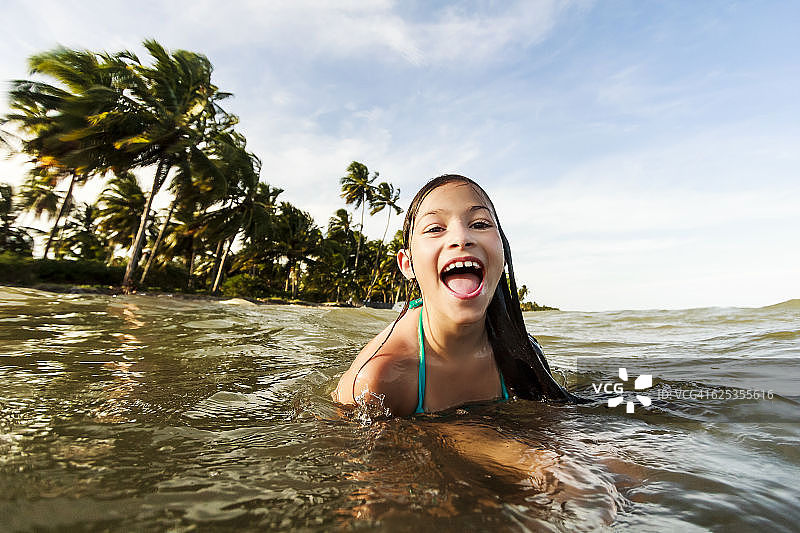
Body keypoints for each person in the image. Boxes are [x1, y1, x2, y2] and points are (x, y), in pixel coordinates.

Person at [332, 174, 580, 416]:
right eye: (435, 228)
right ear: (408, 264)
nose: (462, 238)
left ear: (503, 253)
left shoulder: (525, 354)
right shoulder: (377, 380)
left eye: (480, 224)